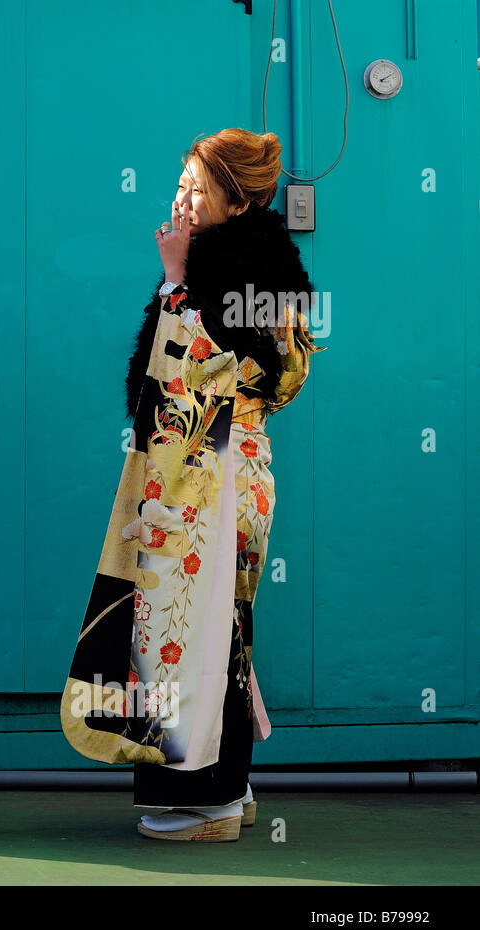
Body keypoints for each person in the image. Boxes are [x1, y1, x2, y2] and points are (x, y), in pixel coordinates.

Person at [61, 128, 326, 841]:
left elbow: (241, 377)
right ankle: (228, 787)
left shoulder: (234, 272)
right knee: (217, 630)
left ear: (236, 203)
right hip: (218, 471)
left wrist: (178, 286)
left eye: (196, 187)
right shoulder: (252, 265)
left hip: (216, 473)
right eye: (180, 181)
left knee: (194, 631)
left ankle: (206, 799)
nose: (181, 196)